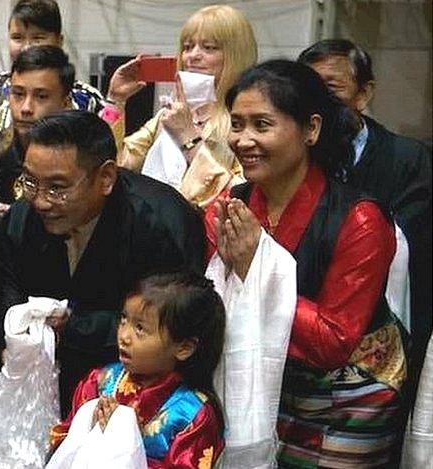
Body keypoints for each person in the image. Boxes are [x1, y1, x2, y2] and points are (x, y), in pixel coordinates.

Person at [209, 60, 405, 467]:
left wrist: (254, 272)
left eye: (262, 125)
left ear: (311, 129)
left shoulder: (360, 219)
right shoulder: (232, 206)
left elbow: (333, 342)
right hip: (263, 386)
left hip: (350, 395)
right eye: (237, 124)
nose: (244, 140)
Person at [0, 111, 206, 415]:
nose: (40, 200)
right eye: (30, 181)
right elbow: (4, 282)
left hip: (135, 394)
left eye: (57, 187)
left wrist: (75, 325)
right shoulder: (24, 215)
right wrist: (14, 330)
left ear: (105, 178)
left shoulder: (161, 222)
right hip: (42, 384)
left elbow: (174, 322)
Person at [297, 39, 432, 389]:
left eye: (331, 88)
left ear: (364, 93)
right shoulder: (295, 157)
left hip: (377, 346)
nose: (321, 102)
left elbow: (406, 243)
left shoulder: (408, 160)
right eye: (308, 89)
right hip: (304, 339)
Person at [50, 271, 226, 468]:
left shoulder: (192, 415)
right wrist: (89, 425)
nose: (124, 336)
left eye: (140, 328)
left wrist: (120, 443)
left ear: (183, 347)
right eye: (124, 319)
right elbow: (60, 443)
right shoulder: (99, 383)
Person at [105, 5, 257, 208]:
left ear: (236, 55)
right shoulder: (167, 115)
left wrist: (189, 139)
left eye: (209, 47)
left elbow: (244, 194)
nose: (192, 56)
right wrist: (115, 100)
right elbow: (113, 164)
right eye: (187, 47)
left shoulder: (245, 121)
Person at [0, 0, 106, 140]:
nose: (26, 47)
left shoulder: (88, 98)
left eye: (38, 38)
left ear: (59, 41)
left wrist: (116, 100)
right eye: (17, 38)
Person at [0, 45, 74, 215]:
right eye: (18, 94)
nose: (26, 108)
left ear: (65, 104)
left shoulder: (79, 157)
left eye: (41, 96)